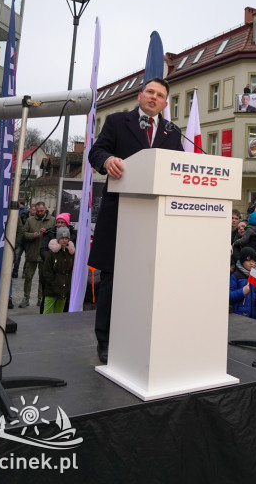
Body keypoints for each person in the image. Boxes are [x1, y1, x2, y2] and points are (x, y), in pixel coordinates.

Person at [88, 77, 183, 363]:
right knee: (112, 280)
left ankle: (140, 336)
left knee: (148, 280)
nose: (154, 97)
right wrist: (106, 161)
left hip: (154, 219)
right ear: (141, 96)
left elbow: (177, 168)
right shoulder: (118, 121)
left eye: (160, 95)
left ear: (166, 104)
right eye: (150, 92)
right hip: (119, 214)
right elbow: (96, 151)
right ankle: (105, 341)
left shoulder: (171, 131)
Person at [19, 201, 55, 308]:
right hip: (32, 253)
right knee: (28, 277)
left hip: (45, 254)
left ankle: (40, 298)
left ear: (45, 209)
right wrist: (32, 235)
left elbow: (55, 234)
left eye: (41, 211)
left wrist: (47, 232)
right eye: (38, 211)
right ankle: (26, 298)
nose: (39, 213)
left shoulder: (52, 220)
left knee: (42, 278)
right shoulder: (30, 220)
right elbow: (23, 234)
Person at [42, 225, 75, 314]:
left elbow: (71, 271)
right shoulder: (52, 253)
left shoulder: (70, 253)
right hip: (52, 289)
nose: (64, 240)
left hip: (64, 289)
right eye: (62, 238)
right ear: (58, 239)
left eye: (66, 238)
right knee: (47, 313)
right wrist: (53, 283)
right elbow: (46, 271)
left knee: (59, 314)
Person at [229, 247, 256, 320]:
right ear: (242, 261)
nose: (251, 263)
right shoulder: (235, 276)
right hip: (239, 317)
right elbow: (229, 296)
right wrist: (242, 292)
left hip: (255, 318)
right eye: (248, 261)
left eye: (253, 261)